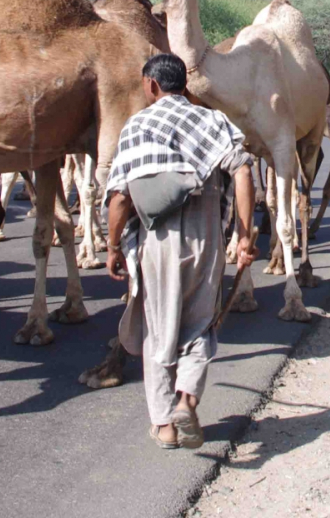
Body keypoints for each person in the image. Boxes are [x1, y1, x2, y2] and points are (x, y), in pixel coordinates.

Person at [105, 53, 257, 450]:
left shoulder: (137, 125)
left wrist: (113, 245)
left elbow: (120, 197)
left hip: (158, 239)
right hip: (207, 234)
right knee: (201, 323)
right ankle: (187, 398)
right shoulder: (213, 120)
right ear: (185, 86)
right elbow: (243, 169)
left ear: (152, 85)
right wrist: (243, 236)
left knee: (159, 330)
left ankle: (165, 426)